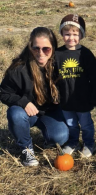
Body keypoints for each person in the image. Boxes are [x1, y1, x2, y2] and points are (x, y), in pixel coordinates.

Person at [0, 27, 69, 167]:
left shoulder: (61, 65)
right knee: (15, 114)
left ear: (53, 48)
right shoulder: (18, 69)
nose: (40, 53)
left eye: (46, 49)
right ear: (30, 47)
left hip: (50, 112)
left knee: (61, 137)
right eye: (36, 48)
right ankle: (27, 149)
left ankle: (48, 138)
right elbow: (3, 92)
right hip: (26, 113)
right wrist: (23, 102)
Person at [55, 14, 96, 158]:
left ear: (81, 35)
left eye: (75, 34)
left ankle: (89, 143)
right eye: (67, 34)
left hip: (83, 98)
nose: (71, 38)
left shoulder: (85, 54)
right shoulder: (58, 54)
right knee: (71, 124)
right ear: (61, 34)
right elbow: (53, 77)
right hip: (66, 99)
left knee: (86, 124)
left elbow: (94, 77)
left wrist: (94, 96)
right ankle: (73, 142)